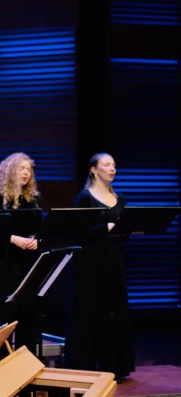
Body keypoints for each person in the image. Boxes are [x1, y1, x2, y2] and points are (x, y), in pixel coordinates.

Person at [70, 153, 134, 379]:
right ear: (94, 170)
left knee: (114, 309)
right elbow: (77, 233)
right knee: (91, 309)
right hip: (90, 262)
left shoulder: (121, 199)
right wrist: (103, 228)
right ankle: (88, 364)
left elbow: (124, 229)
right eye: (107, 165)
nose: (113, 169)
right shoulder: (84, 198)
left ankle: (115, 365)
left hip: (113, 260)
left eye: (114, 165)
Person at [0, 152, 42, 353]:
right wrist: (12, 238)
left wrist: (37, 240)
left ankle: (27, 365)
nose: (26, 173)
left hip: (29, 265)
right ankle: (0, 367)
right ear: (9, 171)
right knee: (4, 319)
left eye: (28, 169)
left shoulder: (32, 199)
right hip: (5, 265)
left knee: (29, 318)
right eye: (21, 168)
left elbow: (39, 229)